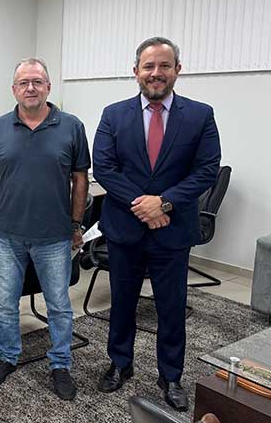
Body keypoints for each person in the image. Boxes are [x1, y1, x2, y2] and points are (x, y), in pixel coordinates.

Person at [92, 37, 221, 411]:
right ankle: (120, 363)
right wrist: (144, 206)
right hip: (125, 228)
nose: (156, 73)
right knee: (122, 302)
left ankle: (171, 375)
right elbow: (105, 168)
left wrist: (163, 203)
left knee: (171, 306)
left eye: (164, 65)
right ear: (136, 71)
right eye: (149, 66)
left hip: (173, 229)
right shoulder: (114, 114)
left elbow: (206, 170)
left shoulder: (199, 115)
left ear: (177, 70)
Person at [0, 58, 90, 401]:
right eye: (24, 82)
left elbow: (80, 180)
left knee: (59, 305)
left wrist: (76, 225)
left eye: (37, 82)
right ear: (14, 89)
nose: (31, 88)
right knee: (5, 304)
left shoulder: (71, 126)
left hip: (54, 236)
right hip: (7, 236)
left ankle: (60, 364)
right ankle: (7, 356)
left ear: (48, 87)